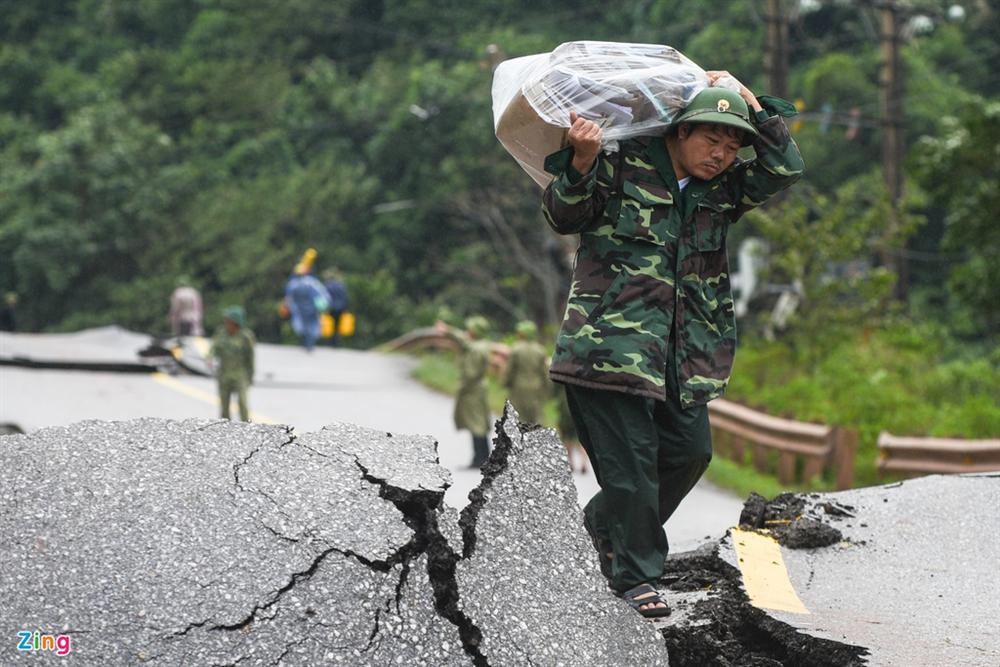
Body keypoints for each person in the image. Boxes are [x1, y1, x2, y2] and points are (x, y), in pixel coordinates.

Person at [541, 72, 804, 618]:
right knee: (632, 466)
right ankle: (636, 578)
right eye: (712, 140)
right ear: (679, 132)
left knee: (689, 453)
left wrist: (751, 105)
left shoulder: (721, 191)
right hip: (606, 349)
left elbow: (785, 168)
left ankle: (587, 537)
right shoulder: (619, 163)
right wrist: (583, 160)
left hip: (683, 357)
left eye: (733, 147)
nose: (722, 155)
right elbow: (564, 214)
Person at [436, 317, 493, 468]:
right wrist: (448, 331)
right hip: (476, 388)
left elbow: (471, 373)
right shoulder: (480, 345)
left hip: (472, 389)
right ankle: (480, 458)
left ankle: (481, 459)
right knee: (476, 424)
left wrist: (463, 386)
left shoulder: (477, 348)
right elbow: (463, 340)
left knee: (477, 424)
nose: (467, 332)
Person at [209, 306, 256, 422]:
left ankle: (245, 426)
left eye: (228, 321)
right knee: (224, 403)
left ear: (235, 323)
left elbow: (251, 358)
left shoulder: (246, 337)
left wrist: (250, 376)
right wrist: (209, 358)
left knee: (242, 402)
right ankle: (225, 428)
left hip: (240, 373)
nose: (226, 323)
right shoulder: (221, 333)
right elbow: (214, 348)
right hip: (224, 373)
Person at [503, 320, 550, 424]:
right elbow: (545, 373)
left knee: (518, 418)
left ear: (522, 334)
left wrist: (505, 383)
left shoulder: (516, 349)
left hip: (518, 387)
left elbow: (509, 371)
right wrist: (547, 389)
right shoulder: (540, 350)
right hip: (536, 388)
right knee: (537, 418)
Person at [284, 265, 330, 352]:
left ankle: (306, 343)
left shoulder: (292, 283)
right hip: (312, 309)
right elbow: (322, 296)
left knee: (302, 326)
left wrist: (289, 306)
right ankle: (309, 344)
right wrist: (322, 307)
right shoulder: (313, 283)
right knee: (312, 326)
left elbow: (289, 297)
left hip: (300, 309)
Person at [321, 268, 349, 347]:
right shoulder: (341, 286)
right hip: (340, 307)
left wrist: (324, 308)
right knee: (337, 325)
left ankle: (329, 342)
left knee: (329, 325)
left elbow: (325, 298)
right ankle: (336, 343)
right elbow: (345, 297)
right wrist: (345, 308)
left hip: (331, 308)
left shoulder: (327, 286)